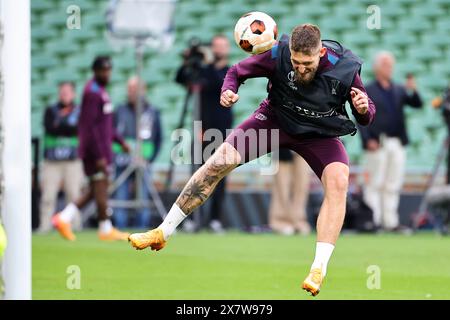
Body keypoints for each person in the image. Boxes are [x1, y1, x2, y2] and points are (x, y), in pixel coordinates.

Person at [129, 24, 375, 296]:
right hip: (275, 120)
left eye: (307, 63)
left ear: (321, 53)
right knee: (219, 160)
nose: (301, 68)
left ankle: (319, 268)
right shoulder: (279, 53)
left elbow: (366, 113)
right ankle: (163, 231)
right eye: (296, 62)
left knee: (339, 182)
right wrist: (228, 89)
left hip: (320, 132)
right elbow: (236, 71)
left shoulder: (345, 67)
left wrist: (362, 109)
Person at [52, 56, 130, 241]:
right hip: (96, 152)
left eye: (109, 70)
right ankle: (105, 228)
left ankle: (64, 218)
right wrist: (98, 155)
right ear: (95, 71)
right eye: (103, 70)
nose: (107, 74)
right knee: (100, 186)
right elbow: (89, 127)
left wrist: (119, 141)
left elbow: (105, 125)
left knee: (96, 189)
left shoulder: (100, 91)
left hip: (102, 150)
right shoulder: (92, 93)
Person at [175, 35, 233, 233]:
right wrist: (187, 62)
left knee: (220, 175)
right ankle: (190, 218)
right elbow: (180, 79)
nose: (217, 50)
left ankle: (215, 218)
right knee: (197, 175)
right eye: (215, 46)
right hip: (202, 129)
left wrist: (207, 64)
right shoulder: (204, 70)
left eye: (221, 47)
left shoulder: (229, 71)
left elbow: (219, 84)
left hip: (222, 131)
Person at [359, 52, 422, 232]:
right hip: (377, 142)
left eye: (390, 64)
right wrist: (367, 139)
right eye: (385, 64)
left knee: (393, 182)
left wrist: (413, 89)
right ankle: (374, 220)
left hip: (396, 141)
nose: (389, 68)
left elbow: (416, 104)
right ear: (377, 67)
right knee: (375, 182)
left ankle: (390, 221)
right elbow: (361, 115)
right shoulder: (369, 89)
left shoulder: (399, 89)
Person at [112, 76, 162, 229]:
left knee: (144, 199)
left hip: (143, 162)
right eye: (130, 89)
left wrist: (150, 159)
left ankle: (142, 230)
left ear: (143, 90)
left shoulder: (152, 112)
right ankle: (119, 230)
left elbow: (158, 138)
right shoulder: (119, 110)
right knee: (120, 198)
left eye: (135, 89)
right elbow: (112, 134)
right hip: (122, 162)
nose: (132, 93)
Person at [39, 81, 84, 233]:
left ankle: (76, 226)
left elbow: (78, 129)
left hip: (72, 160)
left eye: (67, 91)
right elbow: (50, 127)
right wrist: (67, 127)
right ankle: (44, 226)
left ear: (73, 93)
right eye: (62, 91)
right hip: (52, 161)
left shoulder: (79, 110)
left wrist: (61, 125)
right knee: (48, 195)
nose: (65, 94)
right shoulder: (50, 110)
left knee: (74, 194)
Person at [269, 149, 311, 235]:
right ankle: (280, 220)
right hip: (283, 141)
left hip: (306, 138)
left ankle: (299, 219)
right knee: (282, 184)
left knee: (302, 182)